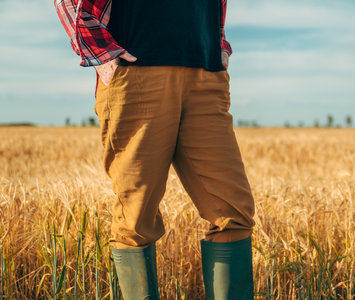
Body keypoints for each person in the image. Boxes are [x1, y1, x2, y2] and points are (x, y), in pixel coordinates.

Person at [54, 0, 256, 298]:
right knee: (135, 218)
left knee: (234, 214)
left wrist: (219, 44)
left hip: (205, 73)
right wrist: (103, 53)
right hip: (137, 73)